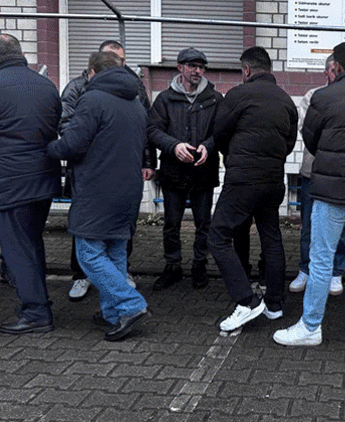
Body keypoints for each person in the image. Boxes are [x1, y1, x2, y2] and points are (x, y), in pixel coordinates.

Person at [273, 41, 345, 346]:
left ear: (336, 66)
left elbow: (311, 139)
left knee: (321, 258)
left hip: (331, 192)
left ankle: (310, 326)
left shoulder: (323, 97)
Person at [47, 51, 149, 341]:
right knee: (115, 251)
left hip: (98, 189)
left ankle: (130, 304)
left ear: (92, 72)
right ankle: (114, 313)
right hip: (128, 189)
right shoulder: (136, 103)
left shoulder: (92, 99)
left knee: (88, 252)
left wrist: (48, 148)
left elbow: (73, 145)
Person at [209, 46, 297, 332]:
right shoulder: (286, 101)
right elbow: (289, 143)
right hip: (273, 180)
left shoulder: (238, 95)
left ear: (246, 70)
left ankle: (247, 300)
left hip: (243, 180)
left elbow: (219, 133)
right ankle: (274, 304)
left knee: (218, 236)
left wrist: (233, 157)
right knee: (271, 237)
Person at [61, 39, 155, 301]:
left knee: (93, 242)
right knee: (104, 238)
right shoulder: (78, 89)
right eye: (114, 60)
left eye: (122, 61)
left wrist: (148, 161)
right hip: (99, 175)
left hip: (104, 176)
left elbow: (145, 131)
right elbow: (67, 123)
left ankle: (126, 301)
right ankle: (101, 294)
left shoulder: (132, 92)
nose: (118, 65)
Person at [0, 33, 61, 334]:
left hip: (8, 183)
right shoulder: (46, 86)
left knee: (17, 250)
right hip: (43, 180)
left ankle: (35, 313)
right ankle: (37, 300)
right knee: (31, 243)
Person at [148, 47, 223, 290]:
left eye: (201, 67)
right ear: (180, 68)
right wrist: (173, 145)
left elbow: (222, 131)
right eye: (192, 66)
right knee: (172, 223)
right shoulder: (164, 99)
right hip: (173, 171)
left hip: (204, 170)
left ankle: (199, 265)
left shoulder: (215, 99)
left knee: (204, 223)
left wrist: (209, 147)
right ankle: (173, 266)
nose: (197, 71)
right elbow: (152, 131)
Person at [290, 54, 345, 296]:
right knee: (309, 225)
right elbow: (306, 129)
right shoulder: (311, 97)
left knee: (340, 226)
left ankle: (336, 272)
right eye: (335, 71)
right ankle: (306, 269)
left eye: (342, 71)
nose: (338, 76)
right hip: (312, 172)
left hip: (340, 175)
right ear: (326, 73)